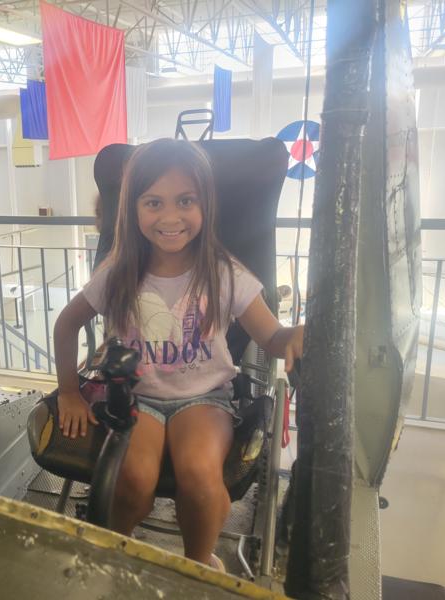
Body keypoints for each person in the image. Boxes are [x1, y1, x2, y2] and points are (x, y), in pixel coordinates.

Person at [52, 138, 304, 570]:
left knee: (201, 478)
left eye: (185, 201)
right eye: (154, 203)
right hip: (136, 398)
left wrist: (295, 335)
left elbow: (272, 337)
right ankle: (117, 554)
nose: (170, 217)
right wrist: (68, 392)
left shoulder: (224, 273)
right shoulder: (118, 273)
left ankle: (198, 562)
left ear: (205, 205)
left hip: (204, 398)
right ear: (133, 209)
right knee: (133, 479)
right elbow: (66, 324)